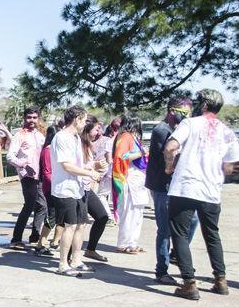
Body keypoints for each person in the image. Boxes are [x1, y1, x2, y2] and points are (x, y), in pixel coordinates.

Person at [164, 89, 239, 300]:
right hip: (211, 190)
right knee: (212, 235)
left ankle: (189, 283)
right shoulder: (227, 131)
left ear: (205, 105)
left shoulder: (191, 123)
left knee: (179, 233)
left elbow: (171, 146)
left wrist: (169, 166)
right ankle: (221, 279)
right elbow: (230, 165)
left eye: (199, 102)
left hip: (186, 187)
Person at [145, 97, 196, 285]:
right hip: (162, 186)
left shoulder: (177, 130)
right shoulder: (162, 130)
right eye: (183, 111)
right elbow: (168, 155)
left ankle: (176, 253)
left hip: (176, 186)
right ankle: (162, 270)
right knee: (164, 229)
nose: (186, 115)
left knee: (193, 219)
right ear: (171, 110)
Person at [51, 105, 102, 276]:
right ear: (77, 119)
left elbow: (77, 165)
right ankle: (63, 264)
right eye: (84, 119)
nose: (85, 123)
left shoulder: (76, 138)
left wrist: (93, 166)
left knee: (81, 225)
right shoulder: (62, 137)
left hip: (79, 188)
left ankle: (76, 260)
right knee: (70, 226)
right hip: (65, 189)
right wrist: (90, 173)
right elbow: (66, 166)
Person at [6, 107, 46, 249]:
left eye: (35, 117)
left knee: (42, 206)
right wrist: (23, 165)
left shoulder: (40, 135)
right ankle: (16, 239)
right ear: (24, 118)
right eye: (29, 117)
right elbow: (10, 156)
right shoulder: (19, 135)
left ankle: (35, 237)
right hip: (27, 176)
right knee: (29, 205)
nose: (32, 120)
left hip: (40, 175)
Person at [112, 114, 148, 254]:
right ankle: (123, 243)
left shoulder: (131, 137)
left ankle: (133, 242)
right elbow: (121, 157)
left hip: (138, 179)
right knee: (129, 212)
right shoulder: (126, 136)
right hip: (129, 177)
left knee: (137, 213)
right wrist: (141, 153)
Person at [80, 116, 110, 262]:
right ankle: (69, 258)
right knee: (78, 224)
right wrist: (94, 168)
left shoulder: (90, 144)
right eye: (96, 128)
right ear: (88, 129)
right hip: (76, 189)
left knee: (102, 216)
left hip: (87, 187)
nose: (99, 131)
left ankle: (90, 250)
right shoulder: (78, 144)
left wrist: (97, 169)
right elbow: (73, 167)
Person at [38, 125, 59, 252]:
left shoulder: (55, 150)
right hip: (50, 187)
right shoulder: (47, 150)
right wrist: (55, 185)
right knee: (51, 216)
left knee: (59, 216)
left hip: (57, 186)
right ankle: (41, 243)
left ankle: (55, 241)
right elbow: (47, 172)